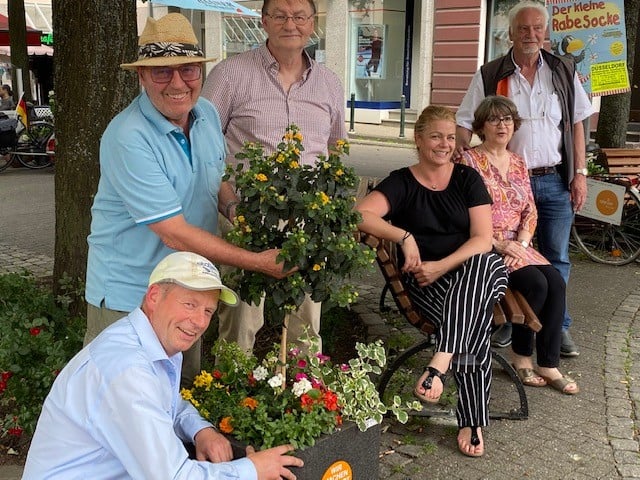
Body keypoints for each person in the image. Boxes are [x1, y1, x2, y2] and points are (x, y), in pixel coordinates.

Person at [85, 13, 290, 385]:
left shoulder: (207, 113)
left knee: (179, 394)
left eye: (189, 70)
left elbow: (217, 175)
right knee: (122, 406)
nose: (178, 83)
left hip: (188, 286)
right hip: (133, 295)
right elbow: (173, 233)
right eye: (162, 72)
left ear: (201, 72)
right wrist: (258, 262)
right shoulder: (127, 136)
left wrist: (233, 209)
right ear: (141, 76)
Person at [23, 252, 304, 479]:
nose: (199, 322)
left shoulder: (150, 339)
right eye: (190, 304)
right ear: (155, 296)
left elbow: (165, 402)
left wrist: (200, 429)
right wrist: (253, 470)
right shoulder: (127, 369)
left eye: (208, 311)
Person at [355, 105, 508, 457]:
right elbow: (360, 214)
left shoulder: (467, 179)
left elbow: (483, 238)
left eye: (450, 137)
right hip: (428, 286)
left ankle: (440, 360)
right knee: (475, 320)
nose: (444, 144)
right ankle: (472, 420)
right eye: (436, 136)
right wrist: (404, 236)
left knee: (483, 263)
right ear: (418, 138)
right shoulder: (402, 182)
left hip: (475, 273)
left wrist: (441, 265)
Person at [201, 0, 347, 354]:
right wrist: (230, 205)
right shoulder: (230, 74)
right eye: (280, 15)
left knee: (306, 320)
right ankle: (231, 392)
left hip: (307, 221)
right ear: (264, 21)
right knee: (240, 316)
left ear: (313, 24)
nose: (290, 24)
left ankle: (305, 394)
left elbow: (335, 148)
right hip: (245, 216)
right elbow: (202, 147)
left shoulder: (329, 82)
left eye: (300, 16)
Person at [455, 1, 594, 357]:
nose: (530, 35)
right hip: (507, 183)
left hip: (554, 179)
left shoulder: (562, 69)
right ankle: (509, 321)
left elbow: (578, 123)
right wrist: (459, 160)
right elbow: (465, 121)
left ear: (545, 32)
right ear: (511, 33)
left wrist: (580, 174)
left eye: (537, 28)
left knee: (557, 256)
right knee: (508, 254)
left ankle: (557, 327)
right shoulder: (490, 73)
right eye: (523, 28)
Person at [458, 95, 579, 395]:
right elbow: (461, 213)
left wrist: (522, 244)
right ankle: (521, 356)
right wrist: (499, 245)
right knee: (536, 284)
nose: (502, 125)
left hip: (519, 245)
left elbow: (530, 209)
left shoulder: (517, 161)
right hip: (486, 244)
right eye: (494, 119)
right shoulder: (468, 160)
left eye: (508, 119)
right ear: (481, 126)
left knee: (555, 282)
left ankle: (548, 363)